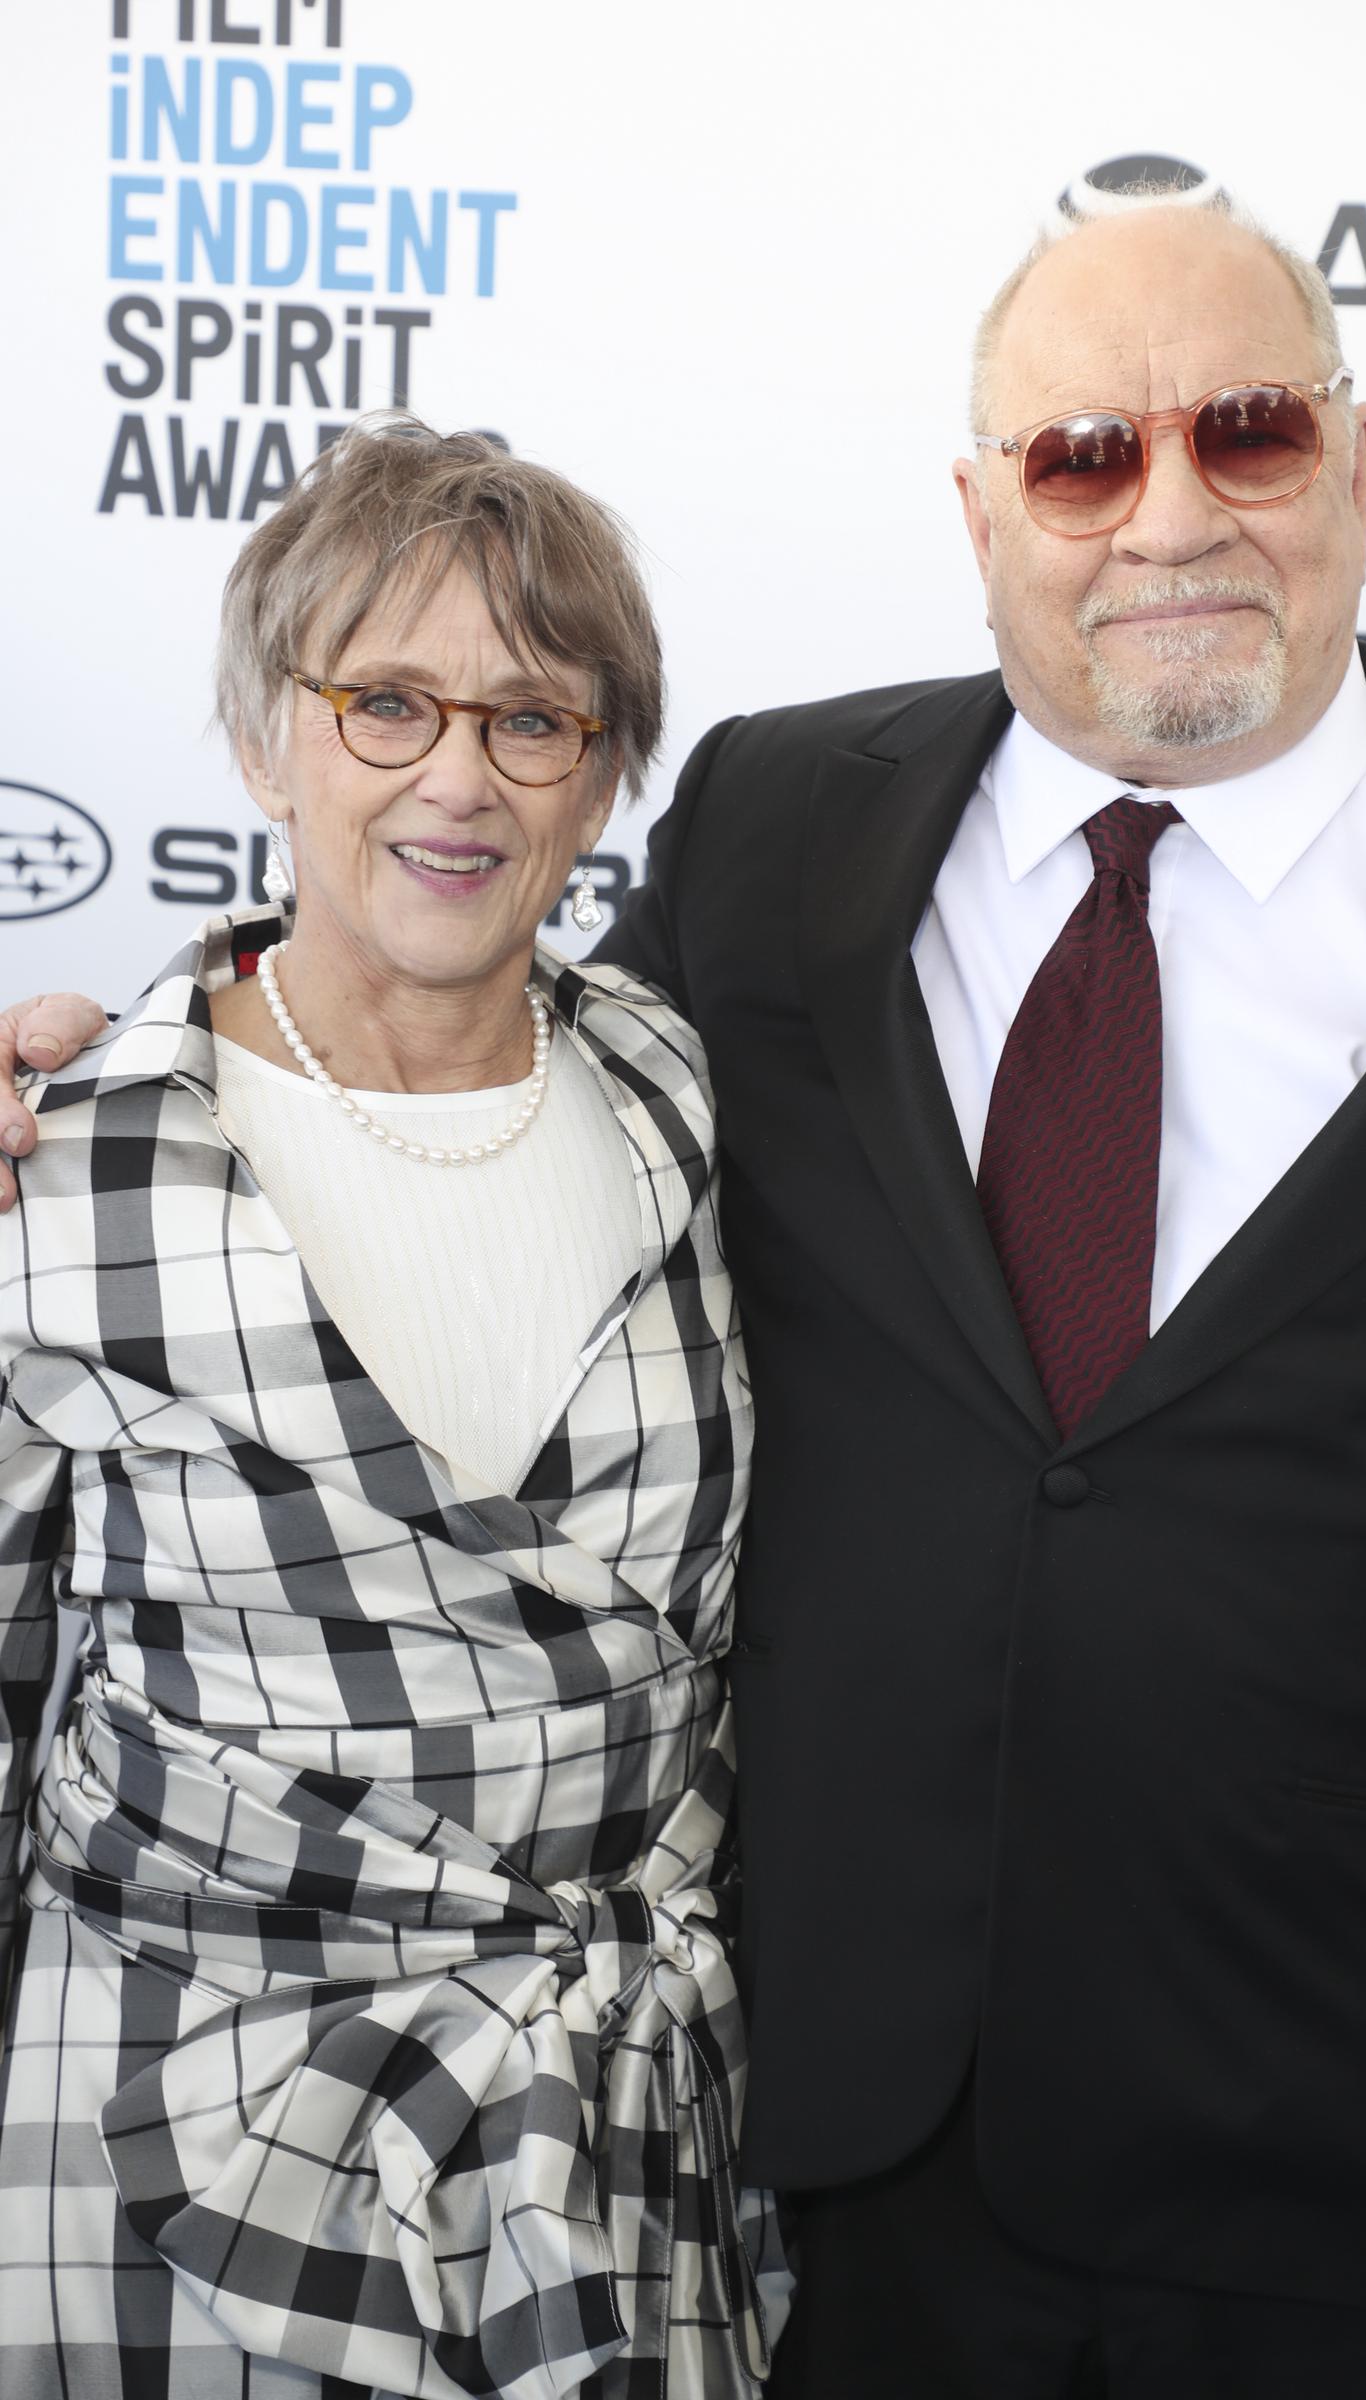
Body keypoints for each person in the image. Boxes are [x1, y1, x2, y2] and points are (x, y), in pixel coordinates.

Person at [7, 192, 1366, 2400]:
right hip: (838, 2172)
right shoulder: (774, 832)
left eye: (1240, 435)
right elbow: (468, 1089)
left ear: (1350, 463)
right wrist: (100, 1081)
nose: (1164, 518)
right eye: (1077, 456)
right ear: (976, 513)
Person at [0, 418, 787, 2399]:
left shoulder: (687, 1106)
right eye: (385, 704)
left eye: (532, 718)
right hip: (165, 2137)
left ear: (601, 773)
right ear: (266, 738)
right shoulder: (72, 1160)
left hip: (603, 2143)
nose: (457, 777)